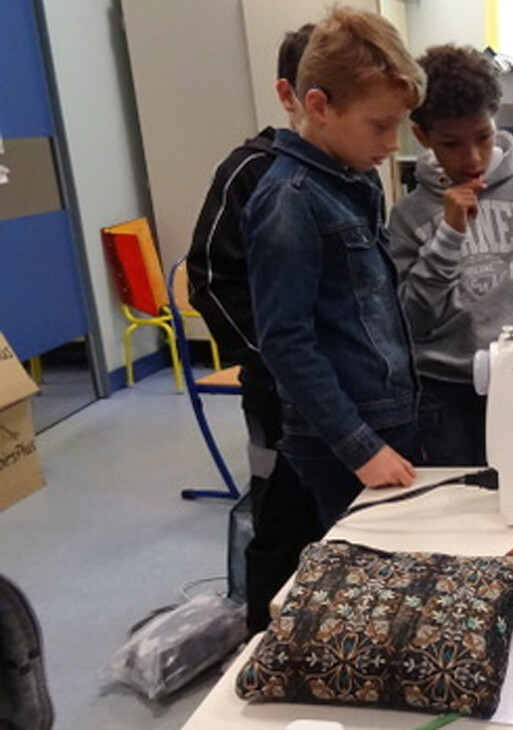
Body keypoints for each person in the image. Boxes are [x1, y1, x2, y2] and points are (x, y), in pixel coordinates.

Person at [244, 7, 424, 529]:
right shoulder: (288, 201)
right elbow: (285, 343)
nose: (392, 146)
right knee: (368, 569)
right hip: (345, 437)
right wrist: (361, 448)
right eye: (380, 127)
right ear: (319, 105)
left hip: (388, 415)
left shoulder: (354, 181)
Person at [388, 43, 513, 466]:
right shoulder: (408, 216)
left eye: (483, 136)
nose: (473, 157)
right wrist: (449, 236)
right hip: (444, 391)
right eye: (452, 143)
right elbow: (412, 321)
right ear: (422, 136)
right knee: (455, 502)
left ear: (496, 119)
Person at [186, 24, 323, 634]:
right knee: (281, 512)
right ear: (290, 95)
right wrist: (273, 359)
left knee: (339, 518)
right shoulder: (248, 172)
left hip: (340, 390)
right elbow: (210, 278)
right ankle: (261, 642)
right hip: (277, 387)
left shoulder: (352, 174)